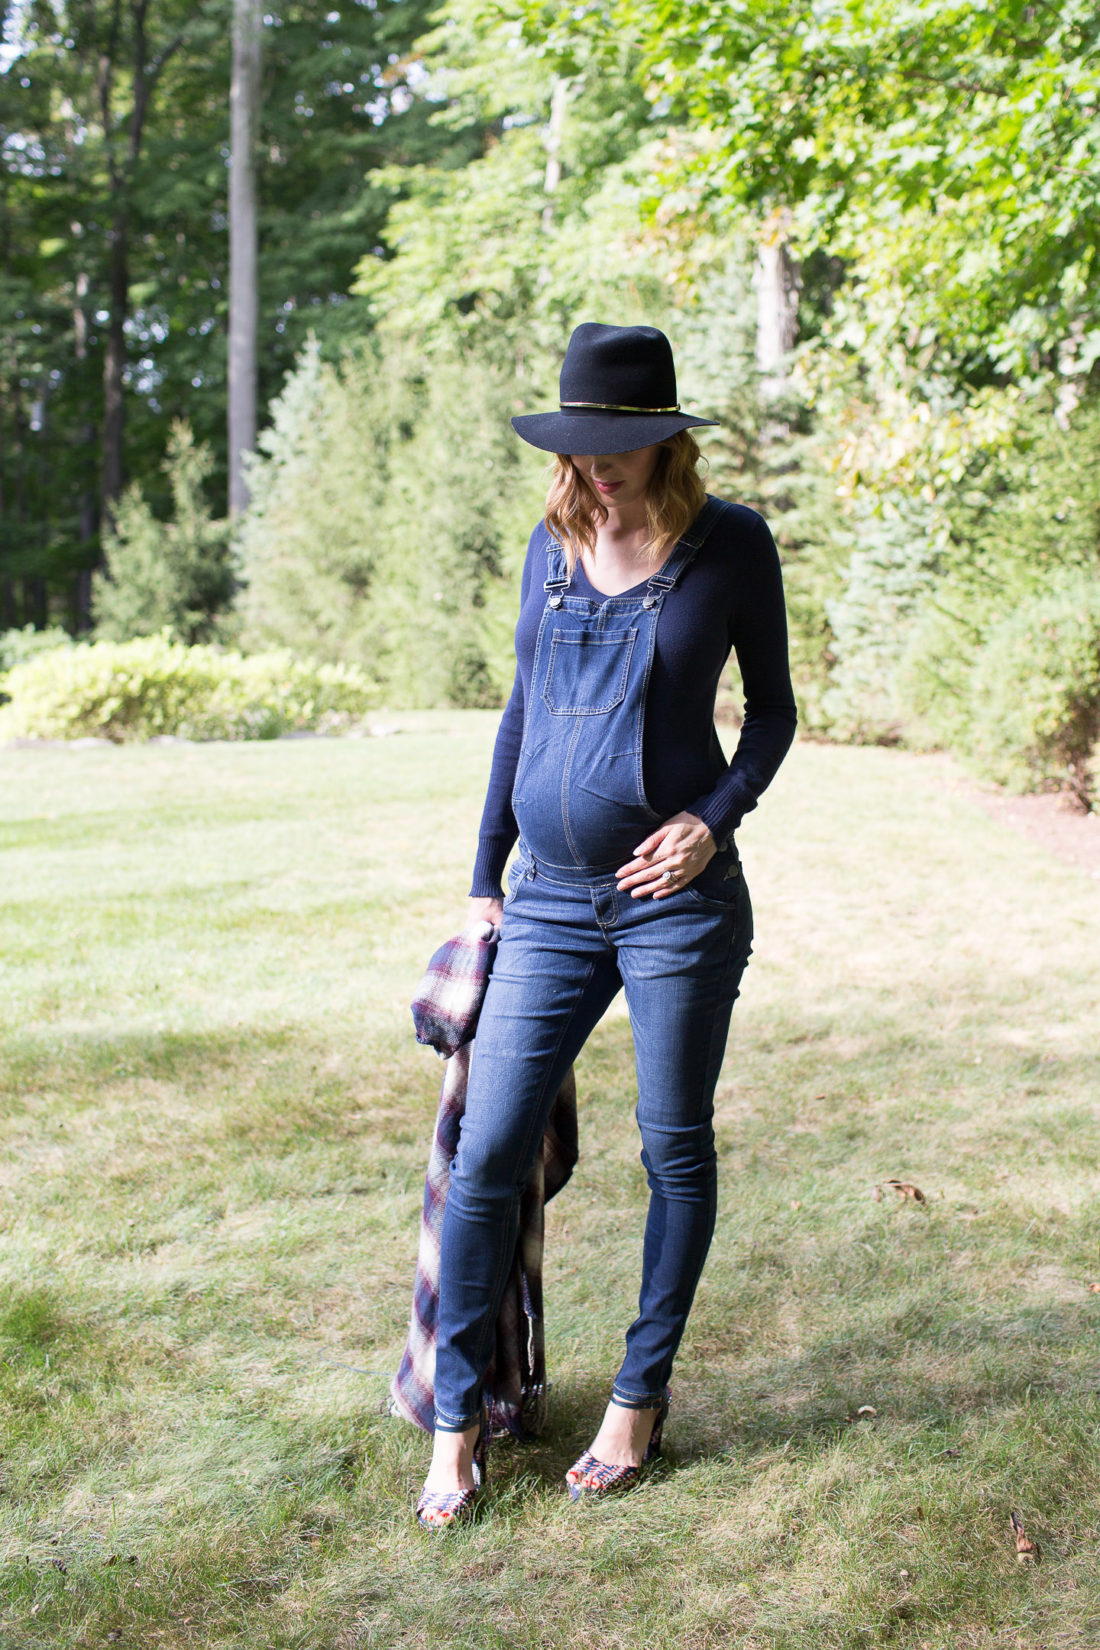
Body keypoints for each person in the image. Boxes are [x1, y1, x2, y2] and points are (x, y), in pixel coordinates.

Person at [415, 322, 797, 1529]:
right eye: (577, 450)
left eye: (615, 447)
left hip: (672, 907)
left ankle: (637, 1397)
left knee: (670, 1144)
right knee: (484, 1158)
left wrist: (714, 820)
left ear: (664, 436)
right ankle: (456, 1416)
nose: (593, 470)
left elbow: (774, 717)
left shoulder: (730, 543)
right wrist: (485, 876)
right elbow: (519, 711)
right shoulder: (552, 540)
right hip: (546, 905)